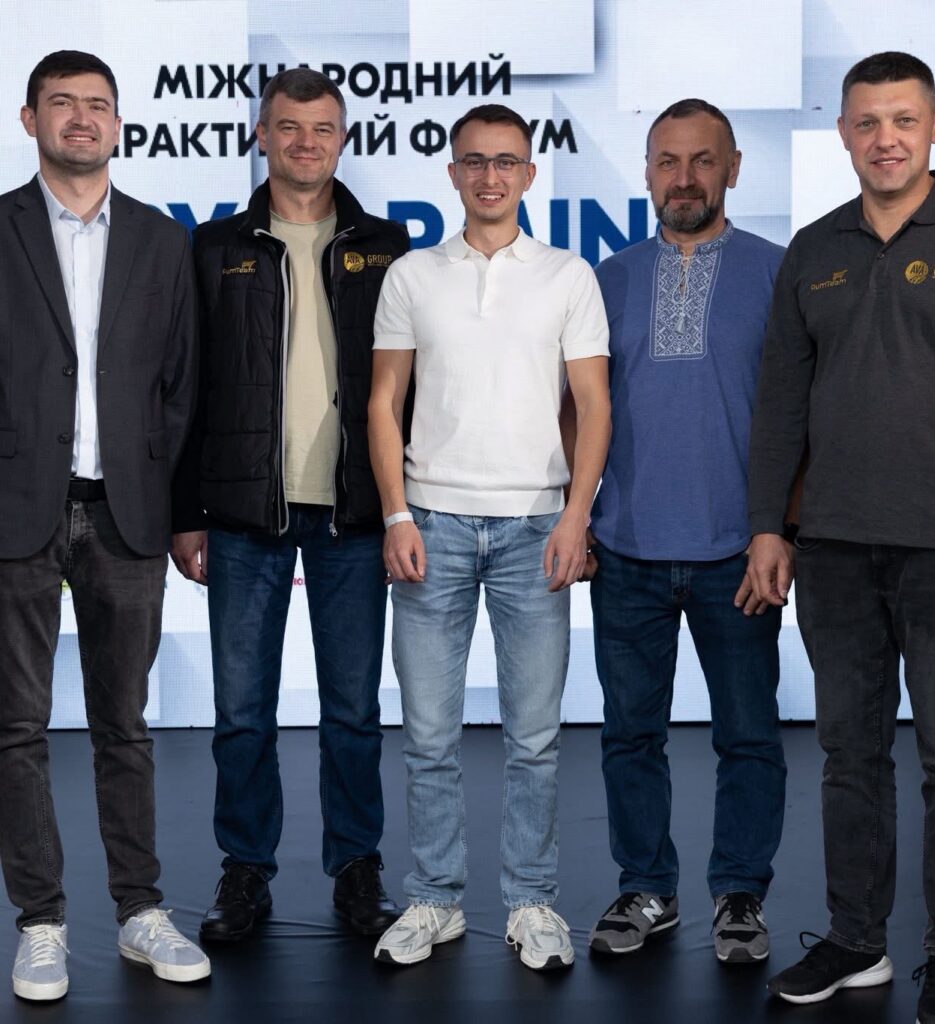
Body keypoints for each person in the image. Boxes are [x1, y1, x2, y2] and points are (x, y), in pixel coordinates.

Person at [746, 51, 935, 1024]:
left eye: (903, 119)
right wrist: (768, 526)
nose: (885, 139)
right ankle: (857, 939)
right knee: (848, 756)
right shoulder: (813, 248)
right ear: (843, 134)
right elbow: (780, 407)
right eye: (866, 122)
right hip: (831, 549)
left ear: (934, 125)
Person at [367, 103, 611, 970]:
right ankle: (434, 899)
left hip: (536, 528)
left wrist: (576, 516)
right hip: (430, 525)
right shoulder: (412, 276)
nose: (490, 176)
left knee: (534, 740)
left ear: (530, 174)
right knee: (428, 736)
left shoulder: (568, 276)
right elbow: (383, 403)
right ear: (452, 173)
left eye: (506, 161)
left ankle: (531, 901)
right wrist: (396, 513)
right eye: (474, 161)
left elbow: (594, 406)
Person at [170, 68, 409, 942]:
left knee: (353, 712)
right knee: (242, 714)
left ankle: (357, 867)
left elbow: (406, 388)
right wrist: (185, 510)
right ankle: (245, 870)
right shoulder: (214, 246)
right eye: (290, 127)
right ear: (261, 135)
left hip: (354, 513)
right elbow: (186, 386)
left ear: (343, 140)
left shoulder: (387, 244)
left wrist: (402, 509)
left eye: (323, 129)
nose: (307, 143)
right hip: (243, 515)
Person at [0, 50, 208, 1001]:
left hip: (127, 513)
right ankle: (40, 923)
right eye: (62, 103)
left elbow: (182, 385)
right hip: (17, 509)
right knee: (16, 728)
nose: (81, 118)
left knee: (124, 725)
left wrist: (174, 503)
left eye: (97, 105)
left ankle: (139, 911)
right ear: (29, 119)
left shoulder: (163, 241)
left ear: (119, 124)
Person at [580, 99, 789, 962]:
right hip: (624, 548)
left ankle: (740, 895)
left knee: (749, 737)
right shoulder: (607, 278)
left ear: (734, 168)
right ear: (646, 172)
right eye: (668, 161)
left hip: (737, 552)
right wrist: (579, 516)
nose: (685, 178)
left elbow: (800, 415)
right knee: (630, 736)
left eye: (704, 160)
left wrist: (781, 529)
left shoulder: (779, 272)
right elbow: (578, 410)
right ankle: (647, 888)